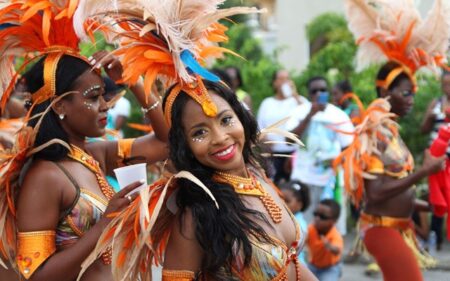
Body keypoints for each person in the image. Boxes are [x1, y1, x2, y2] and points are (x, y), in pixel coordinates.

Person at [73, 1, 317, 280]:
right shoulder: (196, 214)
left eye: (226, 120)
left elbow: (296, 266)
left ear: (242, 117)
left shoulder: (257, 176)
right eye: (199, 132)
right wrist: (136, 84)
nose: (220, 138)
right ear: (184, 145)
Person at [0, 2, 169, 280]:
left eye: (104, 95)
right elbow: (35, 275)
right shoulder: (45, 176)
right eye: (92, 96)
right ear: (60, 107)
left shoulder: (95, 153)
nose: (105, 106)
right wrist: (105, 224)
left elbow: (166, 144)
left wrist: (134, 82)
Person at [336, 1, 450, 280]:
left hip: (399, 227)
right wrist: (425, 171)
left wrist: (425, 202)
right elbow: (375, 194)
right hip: (381, 228)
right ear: (386, 92)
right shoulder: (374, 130)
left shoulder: (391, 130)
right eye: (406, 93)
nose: (411, 99)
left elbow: (395, 188)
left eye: (413, 92)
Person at [286, 76, 354, 233]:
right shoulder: (299, 112)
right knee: (302, 230)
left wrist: (337, 160)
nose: (319, 93)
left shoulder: (338, 115)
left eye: (323, 90)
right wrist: (310, 114)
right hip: (303, 182)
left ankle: (332, 258)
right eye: (314, 91)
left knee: (331, 231)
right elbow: (288, 141)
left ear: (328, 92)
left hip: (331, 183)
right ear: (309, 94)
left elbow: (350, 148)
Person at [257, 69, 307, 184]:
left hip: (294, 154)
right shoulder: (267, 103)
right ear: (275, 83)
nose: (285, 82)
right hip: (273, 154)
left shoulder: (298, 100)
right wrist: (265, 140)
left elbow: (308, 114)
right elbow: (260, 128)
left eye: (287, 78)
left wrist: (295, 95)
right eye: (281, 79)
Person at [420, 70, 450, 251]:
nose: (447, 87)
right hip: (435, 157)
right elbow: (423, 128)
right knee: (436, 197)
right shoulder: (436, 103)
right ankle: (436, 237)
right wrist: (431, 117)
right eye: (445, 83)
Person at [306, 199, 343, 281]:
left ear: (333, 221)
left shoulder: (334, 234)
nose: (317, 218)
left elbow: (337, 250)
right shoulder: (311, 229)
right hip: (313, 266)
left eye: (323, 217)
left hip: (329, 268)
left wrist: (329, 246)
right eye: (315, 214)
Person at [281, 181, 311, 264]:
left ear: (299, 205)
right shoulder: (283, 217)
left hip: (294, 266)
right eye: (279, 199)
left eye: (287, 201)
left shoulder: (300, 225)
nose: (282, 203)